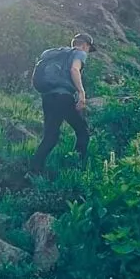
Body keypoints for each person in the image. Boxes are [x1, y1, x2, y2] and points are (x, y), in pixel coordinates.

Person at [32, 33, 96, 175]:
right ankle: (76, 169)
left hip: (47, 96)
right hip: (63, 97)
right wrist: (81, 92)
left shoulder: (54, 53)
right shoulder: (80, 53)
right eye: (88, 49)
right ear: (85, 45)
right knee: (83, 131)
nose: (88, 53)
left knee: (51, 136)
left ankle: (33, 171)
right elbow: (74, 69)